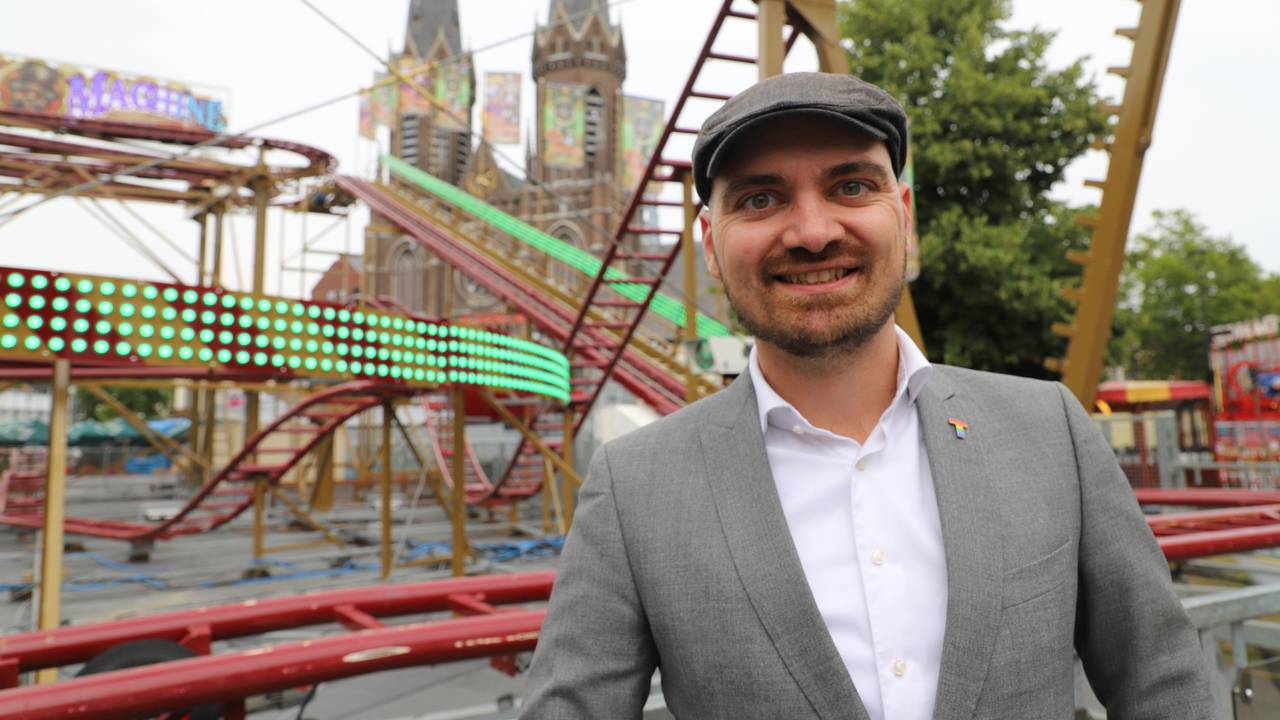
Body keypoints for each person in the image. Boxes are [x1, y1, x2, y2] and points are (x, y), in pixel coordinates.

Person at [520, 72, 1212, 719]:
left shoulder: (1050, 431)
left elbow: (1164, 680)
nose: (814, 232)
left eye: (852, 187)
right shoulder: (636, 488)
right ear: (709, 240)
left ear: (903, 215)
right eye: (760, 199)